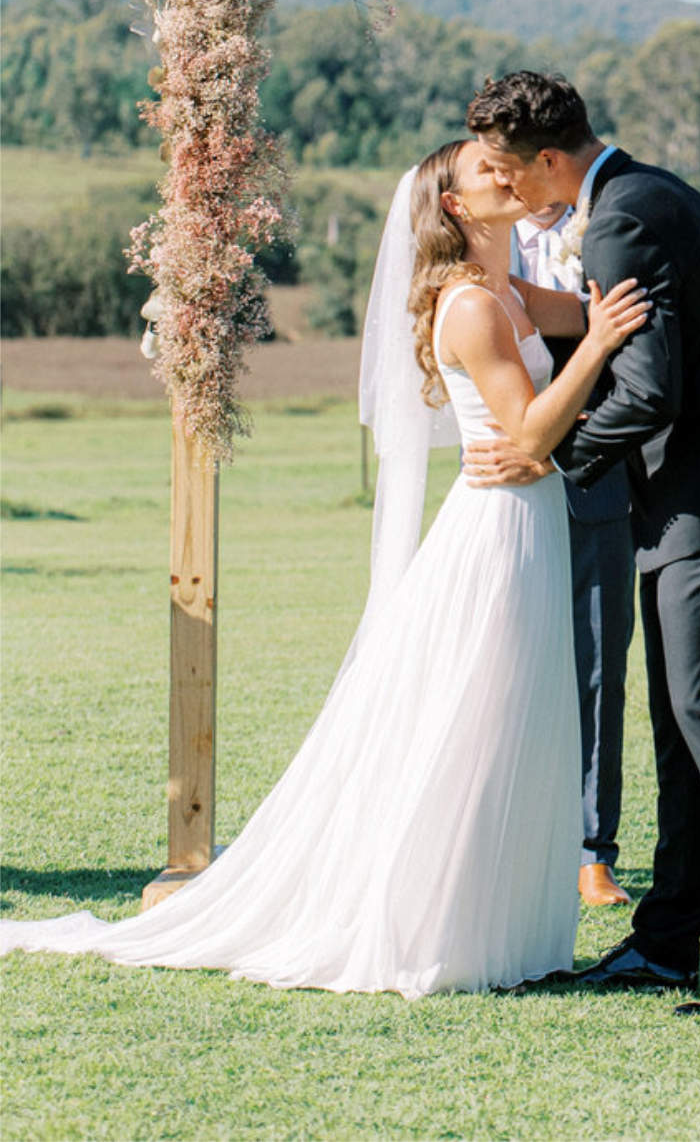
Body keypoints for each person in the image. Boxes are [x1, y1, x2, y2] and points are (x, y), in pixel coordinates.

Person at [0, 140, 648, 996]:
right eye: (486, 172)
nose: (506, 175)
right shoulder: (468, 309)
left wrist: (603, 309)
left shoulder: (510, 292)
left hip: (529, 522)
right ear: (453, 208)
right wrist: (599, 345)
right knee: (478, 711)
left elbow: (575, 313)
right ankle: (438, 926)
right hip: (497, 530)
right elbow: (527, 430)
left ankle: (498, 921)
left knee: (516, 716)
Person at [465, 72, 700, 1018]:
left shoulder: (622, 218)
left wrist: (553, 458)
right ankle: (667, 944)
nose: (508, 191)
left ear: (550, 159)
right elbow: (636, 348)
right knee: (684, 727)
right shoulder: (654, 190)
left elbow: (650, 388)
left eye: (510, 172)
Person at [508, 199, 637, 908]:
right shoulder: (477, 252)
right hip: (507, 482)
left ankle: (593, 851)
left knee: (597, 666)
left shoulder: (611, 225)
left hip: (598, 478)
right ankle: (511, 838)